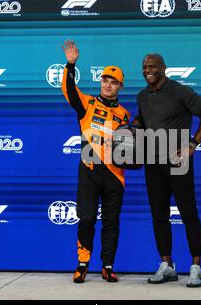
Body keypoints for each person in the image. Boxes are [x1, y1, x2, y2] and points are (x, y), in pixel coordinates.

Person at [132, 53, 201, 288]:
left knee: (188, 213)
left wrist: (193, 144)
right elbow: (143, 119)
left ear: (163, 68)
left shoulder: (180, 91)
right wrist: (134, 126)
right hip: (152, 163)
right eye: (144, 67)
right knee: (159, 215)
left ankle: (196, 268)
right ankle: (167, 265)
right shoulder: (141, 95)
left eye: (152, 66)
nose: (147, 70)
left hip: (178, 163)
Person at [61, 40, 131, 283]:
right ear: (100, 82)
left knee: (111, 222)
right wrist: (70, 65)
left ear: (120, 86)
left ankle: (108, 266)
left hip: (115, 176)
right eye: (105, 80)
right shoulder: (87, 103)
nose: (108, 85)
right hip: (89, 171)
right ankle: (82, 264)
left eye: (113, 82)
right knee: (87, 218)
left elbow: (128, 148)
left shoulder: (125, 114)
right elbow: (69, 90)